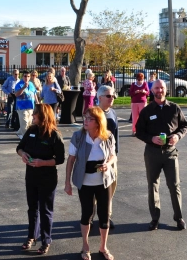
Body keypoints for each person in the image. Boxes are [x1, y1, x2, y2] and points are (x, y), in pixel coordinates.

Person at [135, 79, 187, 231]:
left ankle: (179, 217)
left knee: (174, 185)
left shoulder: (174, 108)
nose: (159, 90)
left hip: (170, 153)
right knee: (153, 185)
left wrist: (178, 136)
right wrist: (151, 138)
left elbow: (184, 126)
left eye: (162, 88)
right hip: (152, 153)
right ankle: (155, 219)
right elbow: (139, 131)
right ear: (152, 91)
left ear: (166, 90)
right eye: (157, 88)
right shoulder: (147, 110)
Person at [65, 107, 117, 260]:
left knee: (104, 214)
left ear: (98, 121)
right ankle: (85, 246)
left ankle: (103, 247)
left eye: (89, 119)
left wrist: (108, 163)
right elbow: (71, 160)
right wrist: (67, 182)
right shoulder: (78, 136)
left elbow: (113, 156)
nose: (85, 121)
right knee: (86, 213)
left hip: (104, 181)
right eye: (85, 118)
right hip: (85, 182)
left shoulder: (107, 136)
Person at [16, 104, 65, 255]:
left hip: (47, 178)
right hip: (31, 176)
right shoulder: (31, 130)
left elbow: (61, 159)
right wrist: (22, 154)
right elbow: (19, 147)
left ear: (43, 116)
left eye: (35, 114)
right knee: (32, 208)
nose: (32, 116)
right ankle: (31, 236)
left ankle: (46, 241)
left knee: (45, 210)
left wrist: (43, 162)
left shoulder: (54, 135)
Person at [94, 85, 119, 229]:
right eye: (109, 96)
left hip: (112, 157)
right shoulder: (94, 113)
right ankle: (91, 214)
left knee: (110, 186)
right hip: (97, 157)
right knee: (95, 188)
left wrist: (115, 154)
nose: (112, 98)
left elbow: (115, 136)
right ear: (100, 98)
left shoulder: (113, 113)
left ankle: (106, 216)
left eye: (113, 96)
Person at [14, 70, 38, 139]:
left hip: (30, 106)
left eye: (28, 76)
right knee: (24, 123)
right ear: (22, 76)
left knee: (29, 123)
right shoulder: (19, 84)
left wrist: (37, 102)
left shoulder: (31, 84)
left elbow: (34, 93)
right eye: (25, 76)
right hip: (22, 107)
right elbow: (16, 94)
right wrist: (24, 87)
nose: (26, 78)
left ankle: (19, 132)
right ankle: (26, 139)